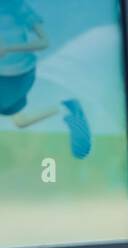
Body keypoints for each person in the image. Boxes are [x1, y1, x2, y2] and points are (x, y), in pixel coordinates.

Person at [0, 0, 91, 157]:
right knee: (20, 121)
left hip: (16, 76)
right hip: (8, 80)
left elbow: (44, 42)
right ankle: (66, 109)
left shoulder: (17, 7)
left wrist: (8, 48)